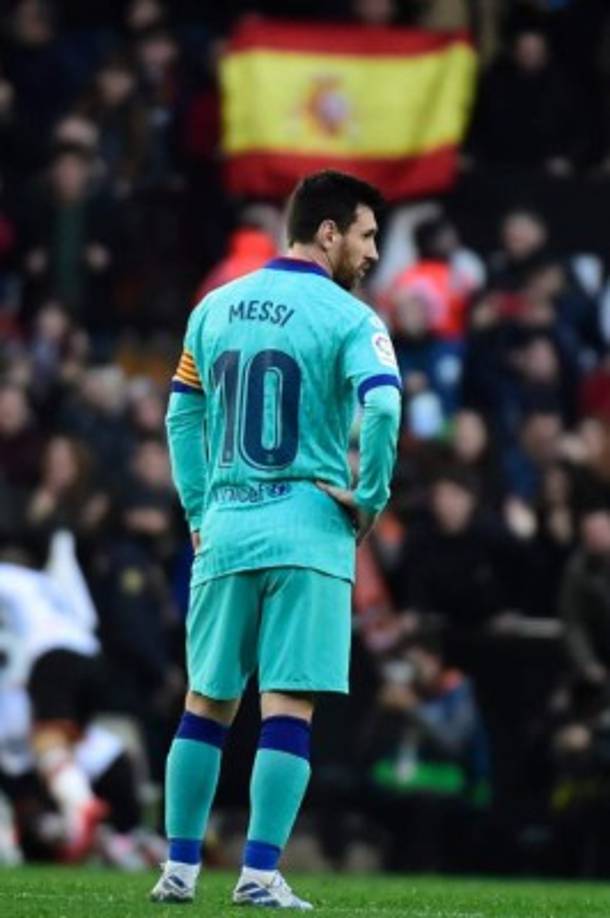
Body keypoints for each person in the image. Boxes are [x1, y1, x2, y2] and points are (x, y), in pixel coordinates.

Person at [151, 170, 402, 907]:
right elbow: (384, 408)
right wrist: (371, 498)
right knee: (287, 708)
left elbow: (180, 417)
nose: (374, 252)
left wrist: (201, 511)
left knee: (206, 702)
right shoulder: (353, 319)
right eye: (367, 235)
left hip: (226, 531)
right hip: (309, 531)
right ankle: (258, 873)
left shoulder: (213, 308)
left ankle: (179, 869)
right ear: (329, 234)